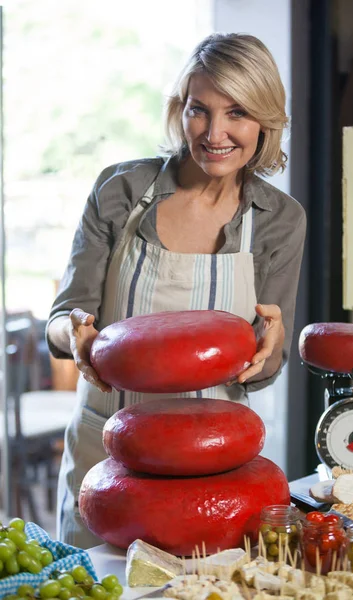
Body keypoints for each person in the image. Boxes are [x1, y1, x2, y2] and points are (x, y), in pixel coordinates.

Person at [47, 32, 307, 548]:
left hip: (213, 473)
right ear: (179, 110)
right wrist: (74, 331)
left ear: (265, 120)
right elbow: (65, 315)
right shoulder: (118, 190)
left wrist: (269, 347)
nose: (215, 132)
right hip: (110, 459)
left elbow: (266, 368)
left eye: (237, 112)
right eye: (199, 110)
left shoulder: (279, 220)